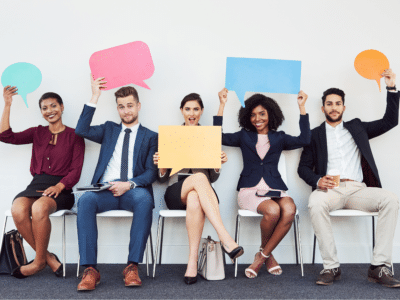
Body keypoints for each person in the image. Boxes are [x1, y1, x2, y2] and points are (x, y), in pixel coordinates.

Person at [298, 68, 400, 287]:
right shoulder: (314, 135)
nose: (333, 108)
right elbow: (303, 168)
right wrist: (317, 180)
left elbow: (390, 121)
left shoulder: (357, 127)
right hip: (330, 191)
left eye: (337, 103)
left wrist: (391, 88)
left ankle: (379, 266)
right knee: (315, 203)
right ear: (323, 107)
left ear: (344, 106)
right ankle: (331, 266)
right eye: (329, 103)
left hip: (358, 190)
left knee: (391, 199)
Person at [215, 89, 310, 278]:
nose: (257, 118)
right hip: (250, 189)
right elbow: (217, 136)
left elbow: (305, 139)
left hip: (275, 189)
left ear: (271, 115)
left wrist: (302, 107)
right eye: (253, 115)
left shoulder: (279, 137)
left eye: (262, 114)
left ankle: (262, 255)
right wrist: (222, 105)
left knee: (289, 209)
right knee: (273, 211)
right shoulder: (244, 136)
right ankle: (268, 256)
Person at [75, 76, 157, 290]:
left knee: (144, 200)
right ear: (117, 109)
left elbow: (151, 173)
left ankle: (132, 266)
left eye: (130, 105)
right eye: (121, 107)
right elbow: (81, 131)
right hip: (104, 190)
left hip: (132, 190)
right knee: (85, 201)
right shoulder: (109, 129)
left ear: (138, 106)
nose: (126, 111)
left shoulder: (151, 137)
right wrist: (94, 96)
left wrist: (129, 184)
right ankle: (90, 269)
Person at [153, 93, 244, 285]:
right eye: (187, 109)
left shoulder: (208, 136)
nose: (191, 113)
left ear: (201, 111)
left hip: (202, 194)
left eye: (196, 109)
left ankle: (192, 264)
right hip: (176, 192)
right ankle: (225, 237)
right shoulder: (171, 135)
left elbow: (213, 177)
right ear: (181, 111)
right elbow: (162, 179)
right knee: (199, 178)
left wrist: (218, 165)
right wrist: (161, 166)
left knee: (196, 194)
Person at [0, 86, 85, 278]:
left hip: (61, 188)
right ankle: (47, 258)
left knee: (39, 208)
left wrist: (59, 186)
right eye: (44, 108)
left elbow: (76, 170)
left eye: (53, 106)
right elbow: (5, 136)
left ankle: (38, 263)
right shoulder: (37, 132)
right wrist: (7, 105)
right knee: (18, 208)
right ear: (41, 112)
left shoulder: (75, 135)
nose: (49, 111)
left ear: (62, 107)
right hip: (36, 184)